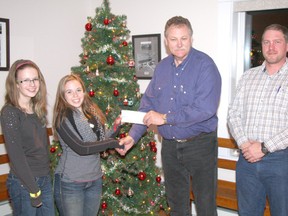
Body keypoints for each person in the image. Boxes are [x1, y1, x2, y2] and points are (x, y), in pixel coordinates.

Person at [117, 16, 221, 216]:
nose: (179, 44)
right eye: (174, 39)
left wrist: (164, 118)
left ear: (191, 38)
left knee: (205, 205)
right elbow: (147, 105)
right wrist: (132, 137)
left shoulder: (205, 66)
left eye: (184, 38)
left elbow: (205, 109)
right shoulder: (162, 68)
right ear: (166, 41)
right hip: (170, 147)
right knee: (176, 205)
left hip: (200, 145)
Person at [227, 24, 288, 216]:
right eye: (266, 42)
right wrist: (245, 144)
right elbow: (233, 113)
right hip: (247, 162)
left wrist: (264, 147)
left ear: (286, 45)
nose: (271, 47)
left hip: (281, 162)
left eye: (277, 42)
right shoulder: (248, 76)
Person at [52, 74, 122, 216]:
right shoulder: (62, 117)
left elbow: (98, 142)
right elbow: (82, 148)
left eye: (78, 90)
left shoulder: (91, 113)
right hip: (71, 182)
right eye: (69, 92)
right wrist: (114, 143)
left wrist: (115, 128)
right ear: (62, 95)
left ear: (83, 91)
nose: (75, 95)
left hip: (94, 179)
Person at [0, 59, 55, 216]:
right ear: (16, 84)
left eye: (35, 79)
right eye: (26, 80)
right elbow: (16, 157)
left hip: (43, 178)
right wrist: (33, 188)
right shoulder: (10, 113)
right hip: (24, 183)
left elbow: (43, 147)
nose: (32, 84)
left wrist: (47, 177)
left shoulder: (38, 109)